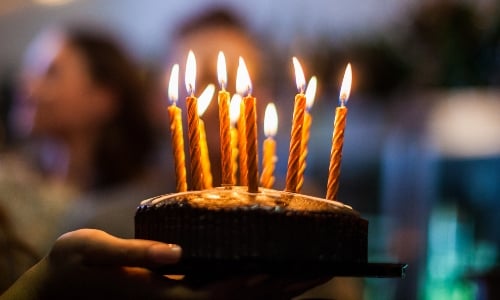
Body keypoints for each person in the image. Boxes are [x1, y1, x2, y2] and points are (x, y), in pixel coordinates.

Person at [0, 26, 167, 291]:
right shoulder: (6, 188)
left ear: (103, 98)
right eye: (30, 71)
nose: (27, 84)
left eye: (49, 73)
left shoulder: (138, 206)